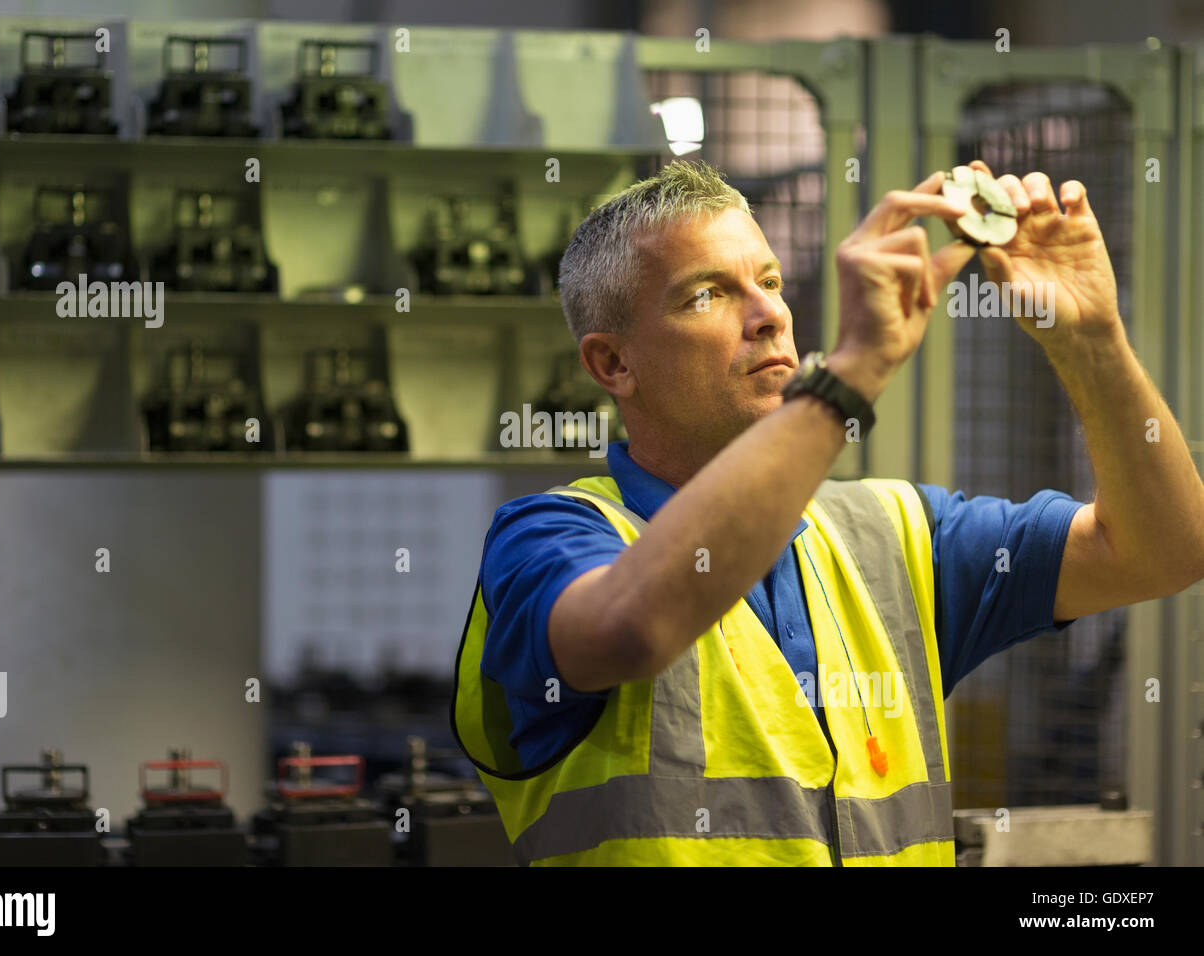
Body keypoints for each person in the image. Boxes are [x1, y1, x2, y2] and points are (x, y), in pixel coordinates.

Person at [451, 158, 1204, 866]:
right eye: (706, 294)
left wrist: (1093, 340)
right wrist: (852, 375)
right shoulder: (550, 538)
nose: (769, 316)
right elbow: (628, 629)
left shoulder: (897, 535)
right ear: (613, 363)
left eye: (769, 281)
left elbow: (1163, 552)